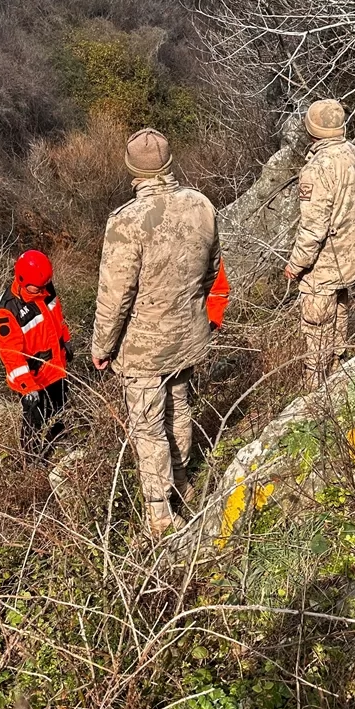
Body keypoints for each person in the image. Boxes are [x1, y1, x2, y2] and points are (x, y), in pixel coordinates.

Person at [91, 128, 230, 537]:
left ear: (133, 169)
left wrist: (102, 346)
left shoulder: (126, 222)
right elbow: (211, 270)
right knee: (180, 407)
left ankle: (160, 513)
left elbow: (115, 297)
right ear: (169, 163)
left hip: (143, 349)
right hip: (188, 336)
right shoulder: (200, 205)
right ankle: (184, 483)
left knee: (148, 427)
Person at [283, 99, 355, 389]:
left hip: (325, 262)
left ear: (312, 130)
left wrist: (296, 264)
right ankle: (338, 373)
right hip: (351, 255)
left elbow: (313, 227)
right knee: (340, 311)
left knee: (317, 326)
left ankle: (315, 391)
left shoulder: (317, 168)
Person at [0, 249, 73, 464]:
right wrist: (28, 387)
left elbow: (57, 319)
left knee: (59, 412)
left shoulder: (46, 289)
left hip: (56, 368)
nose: (41, 289)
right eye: (36, 286)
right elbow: (11, 356)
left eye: (44, 284)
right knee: (34, 425)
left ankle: (59, 448)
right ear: (21, 279)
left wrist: (66, 342)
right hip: (33, 379)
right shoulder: (7, 310)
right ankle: (32, 463)